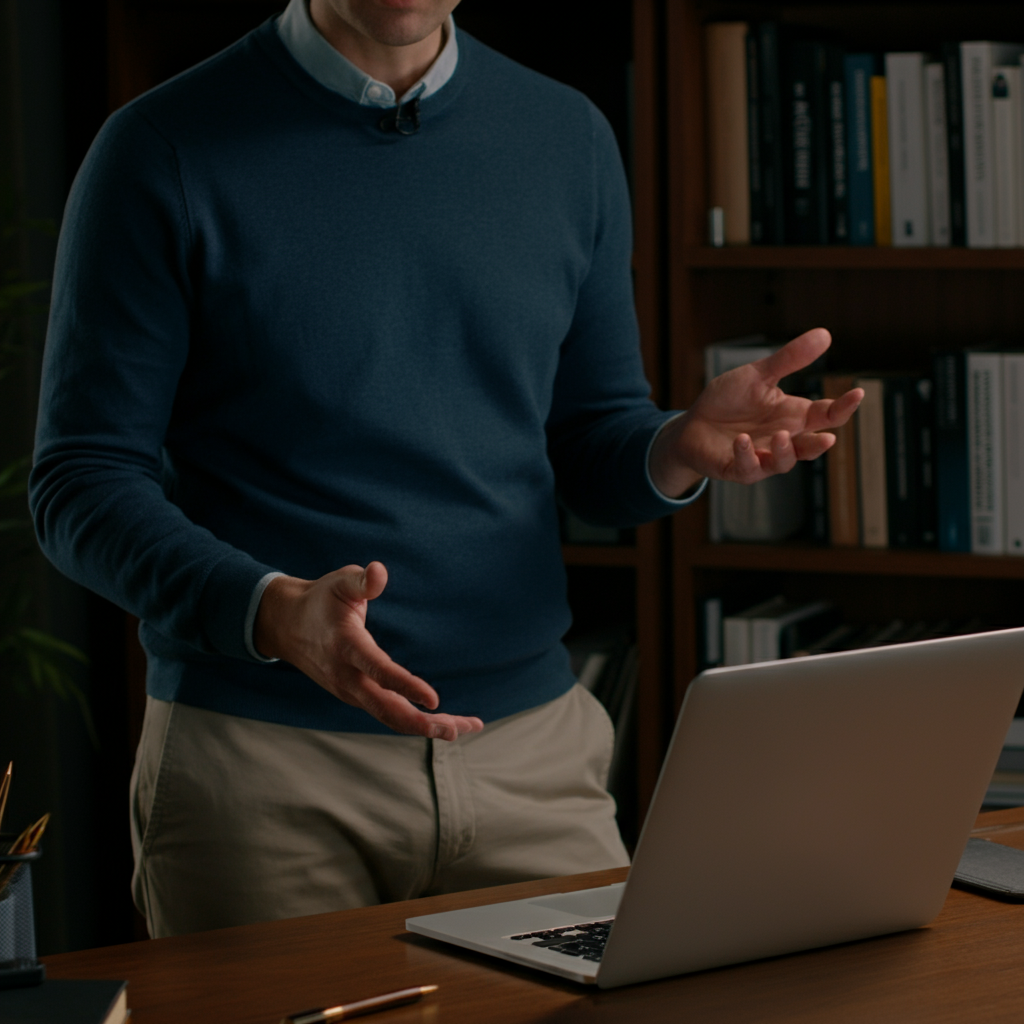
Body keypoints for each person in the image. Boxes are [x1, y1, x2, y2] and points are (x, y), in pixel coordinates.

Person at [29, 0, 862, 937]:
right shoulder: (161, 146)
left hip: (535, 759)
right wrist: (273, 611)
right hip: (265, 766)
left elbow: (591, 437)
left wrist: (673, 448)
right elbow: (80, 483)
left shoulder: (567, 135)